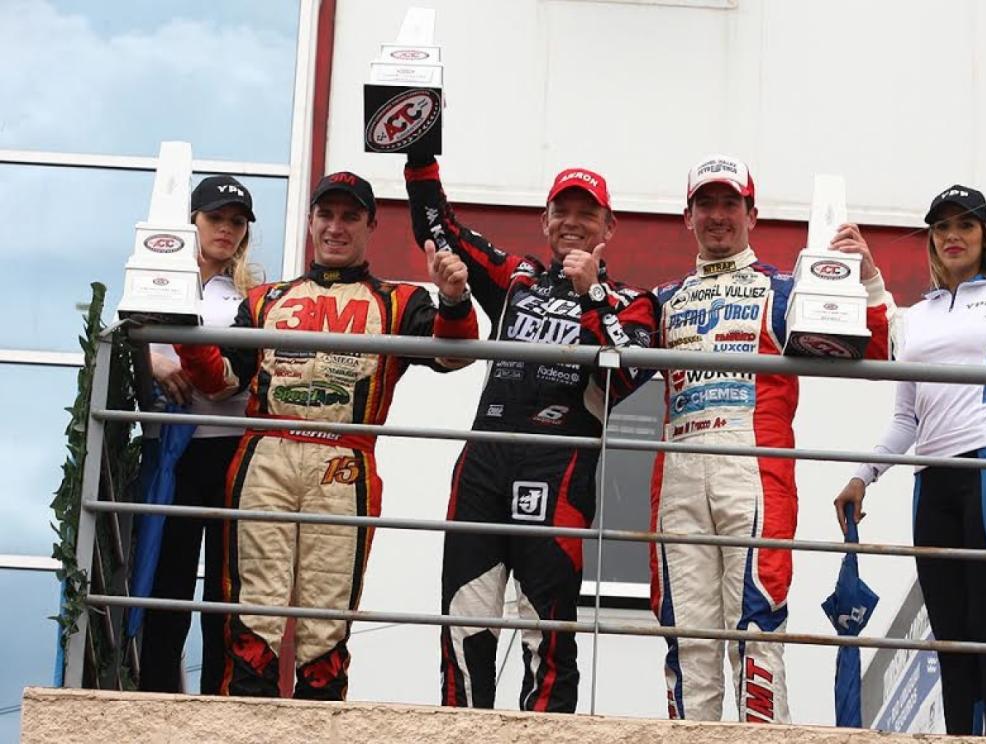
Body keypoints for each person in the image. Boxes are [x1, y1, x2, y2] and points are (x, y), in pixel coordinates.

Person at [173, 170, 478, 700]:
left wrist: (453, 298)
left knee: (325, 623)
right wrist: (185, 335)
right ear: (311, 221)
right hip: (265, 453)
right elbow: (224, 380)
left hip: (344, 464)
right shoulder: (266, 299)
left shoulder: (401, 301)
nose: (336, 227)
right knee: (254, 616)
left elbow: (453, 355)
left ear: (369, 226)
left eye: (350, 216)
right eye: (326, 214)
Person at [404, 155, 659, 713]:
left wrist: (591, 294)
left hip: (560, 470)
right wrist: (419, 154)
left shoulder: (633, 301)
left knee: (547, 635)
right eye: (560, 211)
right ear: (544, 222)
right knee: (464, 623)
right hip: (483, 467)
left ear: (609, 228)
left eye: (586, 214)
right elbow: (439, 228)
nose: (572, 222)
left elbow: (630, 371)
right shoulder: (516, 278)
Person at [652, 154, 895, 723]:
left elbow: (879, 350)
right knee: (685, 631)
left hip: (754, 467)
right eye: (706, 204)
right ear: (687, 216)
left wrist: (869, 278)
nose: (718, 216)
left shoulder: (784, 291)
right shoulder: (662, 299)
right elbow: (602, 386)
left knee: (757, 624)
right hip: (676, 474)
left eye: (729, 203)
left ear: (752, 214)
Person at [834, 184, 986, 737]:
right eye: (942, 226)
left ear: (984, 235)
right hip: (933, 480)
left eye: (965, 225)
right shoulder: (919, 315)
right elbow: (907, 416)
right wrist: (864, 474)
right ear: (931, 237)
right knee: (949, 633)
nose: (953, 236)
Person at [137, 175, 259, 694]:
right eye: (216, 219)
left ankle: (218, 699)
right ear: (192, 221)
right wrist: (154, 363)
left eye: (236, 222)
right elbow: (124, 338)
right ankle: (158, 698)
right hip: (176, 449)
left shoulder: (252, 292)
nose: (226, 230)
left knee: (226, 587)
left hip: (235, 448)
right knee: (170, 578)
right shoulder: (157, 278)